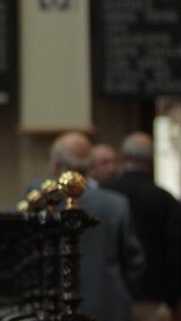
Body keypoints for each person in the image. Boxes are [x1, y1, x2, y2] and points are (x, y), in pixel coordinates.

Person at [45, 131, 145, 321]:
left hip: (52, 306)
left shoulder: (41, 203)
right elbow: (134, 261)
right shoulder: (116, 204)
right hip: (109, 305)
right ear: (89, 165)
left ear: (55, 164)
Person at [107, 132, 181, 321]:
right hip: (153, 298)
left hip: (111, 298)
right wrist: (172, 299)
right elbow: (175, 252)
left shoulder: (107, 196)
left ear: (124, 157)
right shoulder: (164, 199)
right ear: (150, 160)